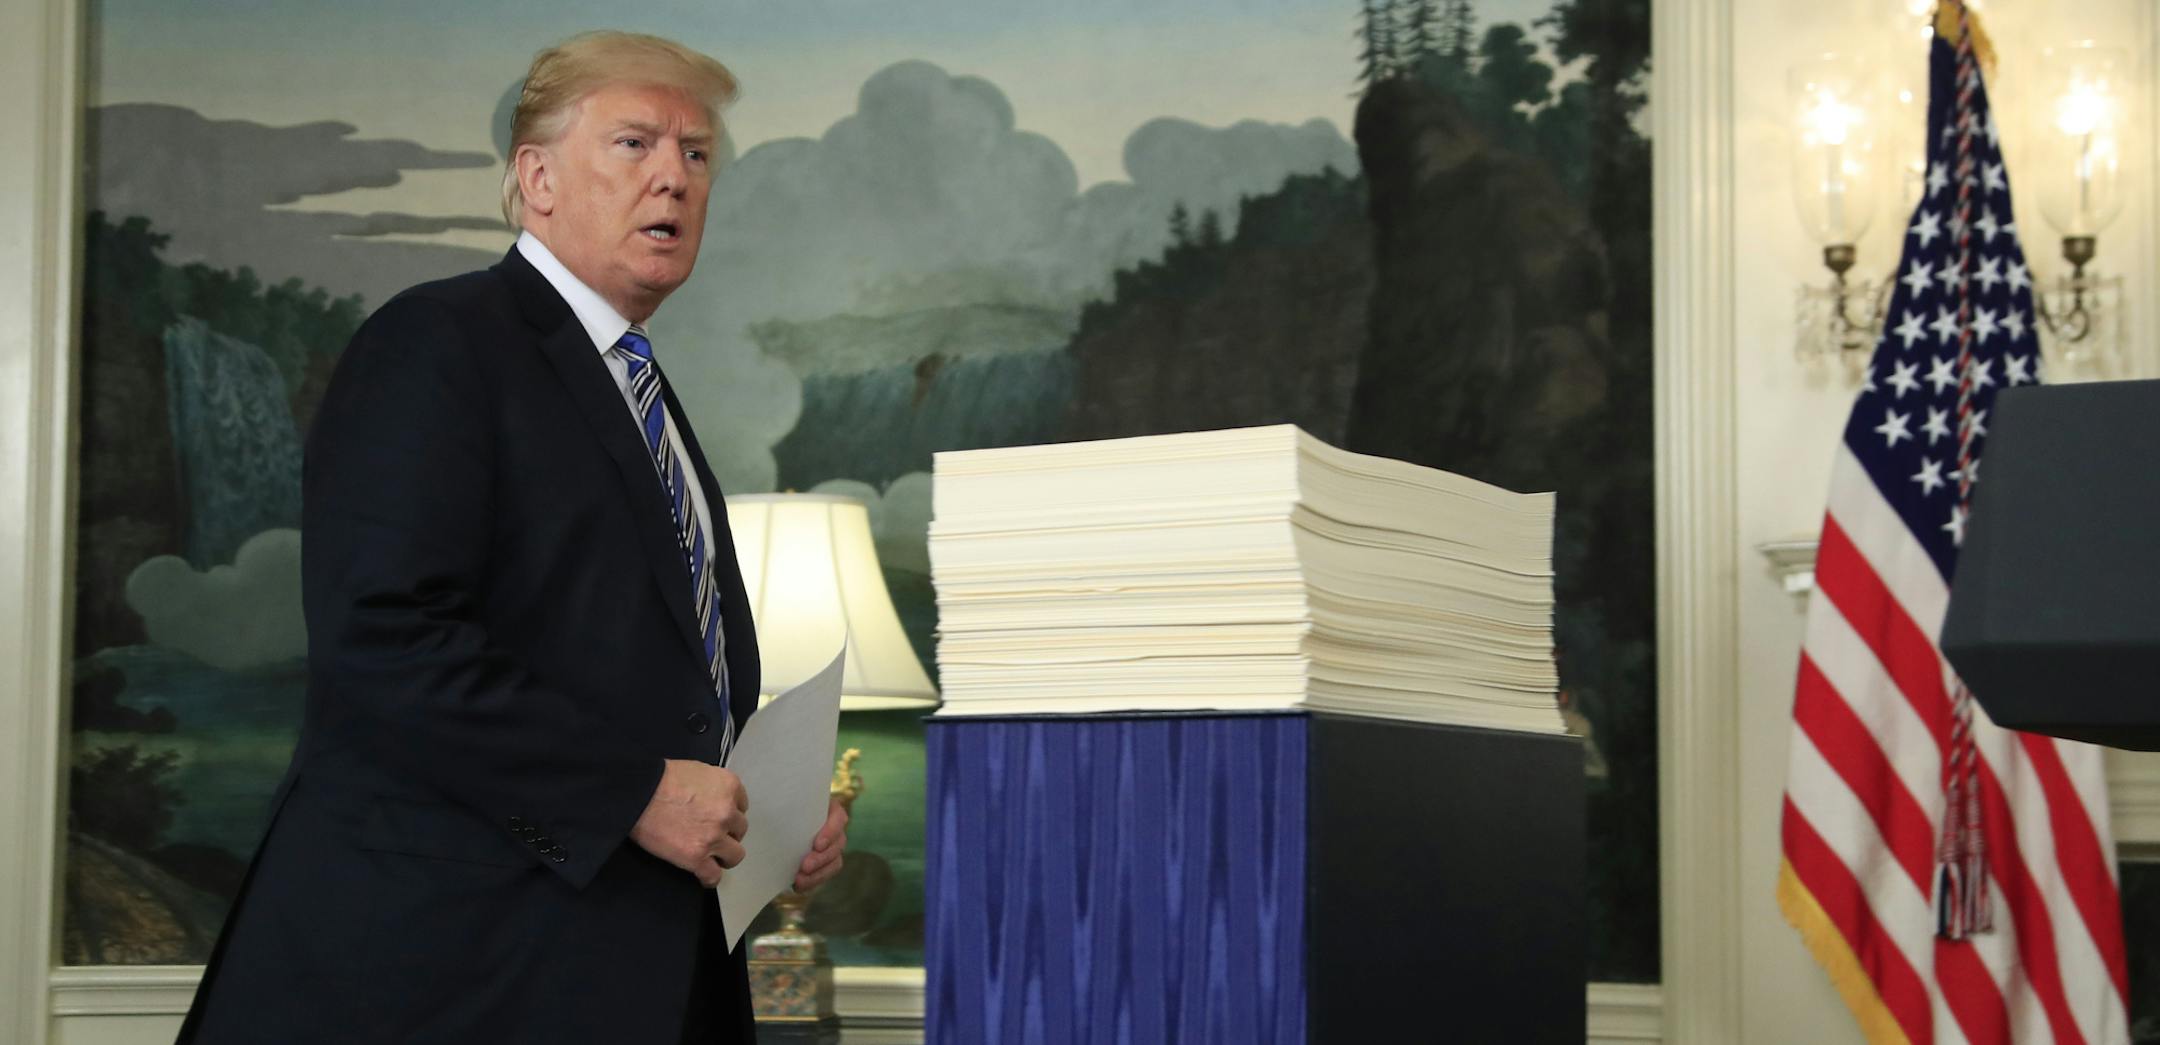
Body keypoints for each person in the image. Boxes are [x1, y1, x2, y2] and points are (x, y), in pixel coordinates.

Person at [177, 31, 847, 1043]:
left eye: (697, 153)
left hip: (637, 967)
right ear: (535, 177)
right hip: (454, 974)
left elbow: (633, 672)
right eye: (635, 143)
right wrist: (633, 792)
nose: (673, 175)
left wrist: (757, 822)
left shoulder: (638, 387)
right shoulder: (436, 342)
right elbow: (385, 633)